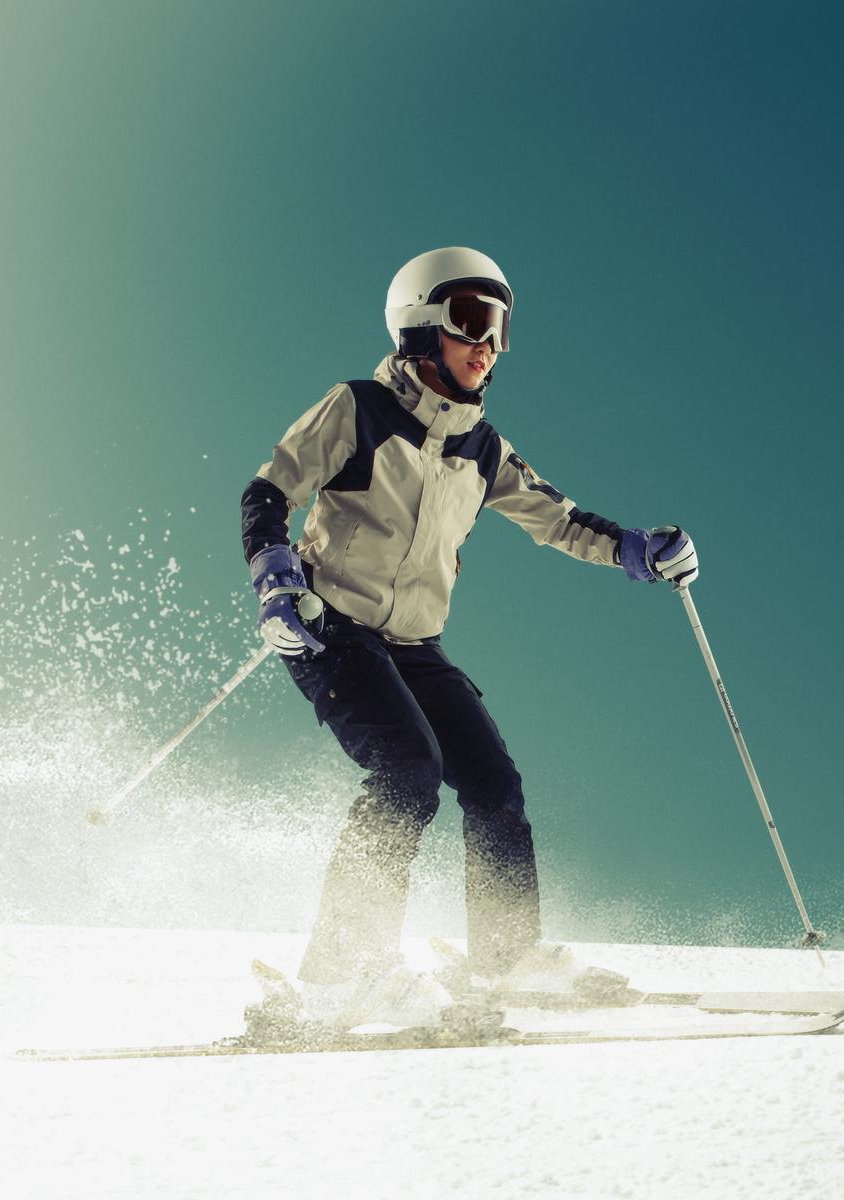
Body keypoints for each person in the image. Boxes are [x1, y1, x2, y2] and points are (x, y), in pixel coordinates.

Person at [239, 247, 698, 1030]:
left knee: (491, 780)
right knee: (407, 773)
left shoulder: (481, 448)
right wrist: (276, 577)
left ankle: (504, 958)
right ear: (421, 326)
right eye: (471, 319)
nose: (488, 342)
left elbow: (556, 517)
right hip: (332, 630)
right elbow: (271, 487)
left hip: (414, 643)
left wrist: (633, 548)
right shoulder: (357, 408)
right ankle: (338, 976)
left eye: (500, 325)